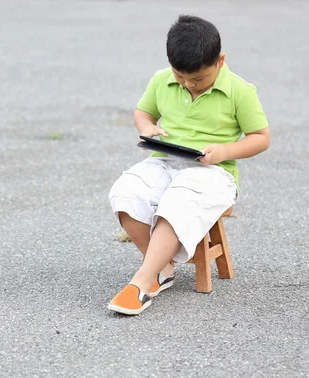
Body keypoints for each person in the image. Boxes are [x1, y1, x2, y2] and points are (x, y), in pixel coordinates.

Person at [107, 15, 270, 315]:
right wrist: (146, 129)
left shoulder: (240, 90)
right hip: (166, 161)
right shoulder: (161, 79)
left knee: (179, 199)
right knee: (125, 192)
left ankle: (143, 282)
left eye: (197, 79)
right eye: (180, 76)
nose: (187, 84)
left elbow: (261, 137)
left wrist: (223, 151)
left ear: (220, 61)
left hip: (214, 173)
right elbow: (143, 113)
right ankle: (162, 268)